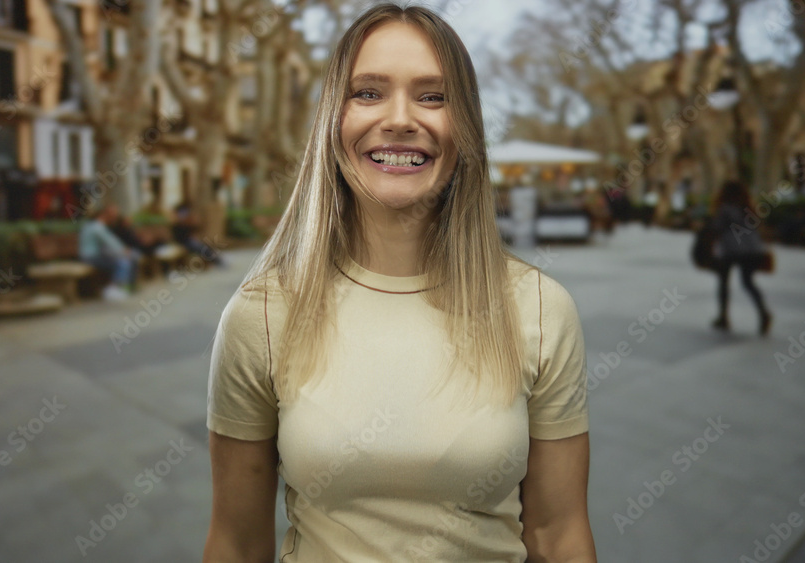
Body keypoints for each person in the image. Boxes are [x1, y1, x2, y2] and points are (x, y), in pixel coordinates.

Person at [203, 4, 596, 562]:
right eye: (368, 92)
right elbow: (237, 545)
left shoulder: (540, 308)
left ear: (465, 128)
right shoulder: (262, 313)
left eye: (433, 96)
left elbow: (561, 537)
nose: (400, 118)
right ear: (332, 121)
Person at [709, 180, 773, 335]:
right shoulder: (748, 208)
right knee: (748, 282)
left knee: (724, 281)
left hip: (731, 250)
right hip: (752, 251)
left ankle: (723, 316)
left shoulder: (725, 208)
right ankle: (763, 312)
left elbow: (717, 228)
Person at [78, 205, 139, 301]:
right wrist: (123, 250)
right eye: (113, 214)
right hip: (91, 257)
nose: (115, 217)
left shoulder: (91, 225)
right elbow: (110, 242)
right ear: (104, 214)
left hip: (91, 256)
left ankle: (126, 286)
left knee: (128, 258)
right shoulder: (97, 227)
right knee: (122, 262)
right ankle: (113, 289)